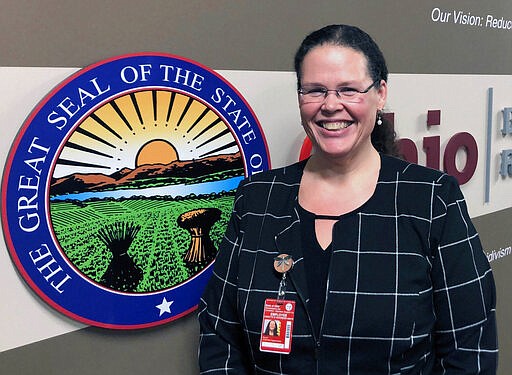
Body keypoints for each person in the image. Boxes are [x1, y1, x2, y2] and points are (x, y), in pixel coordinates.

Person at [198, 24, 498, 374]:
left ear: (380, 93)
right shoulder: (258, 199)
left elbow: (469, 349)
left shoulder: (431, 200)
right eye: (314, 91)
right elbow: (220, 335)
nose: (330, 105)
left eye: (348, 90)